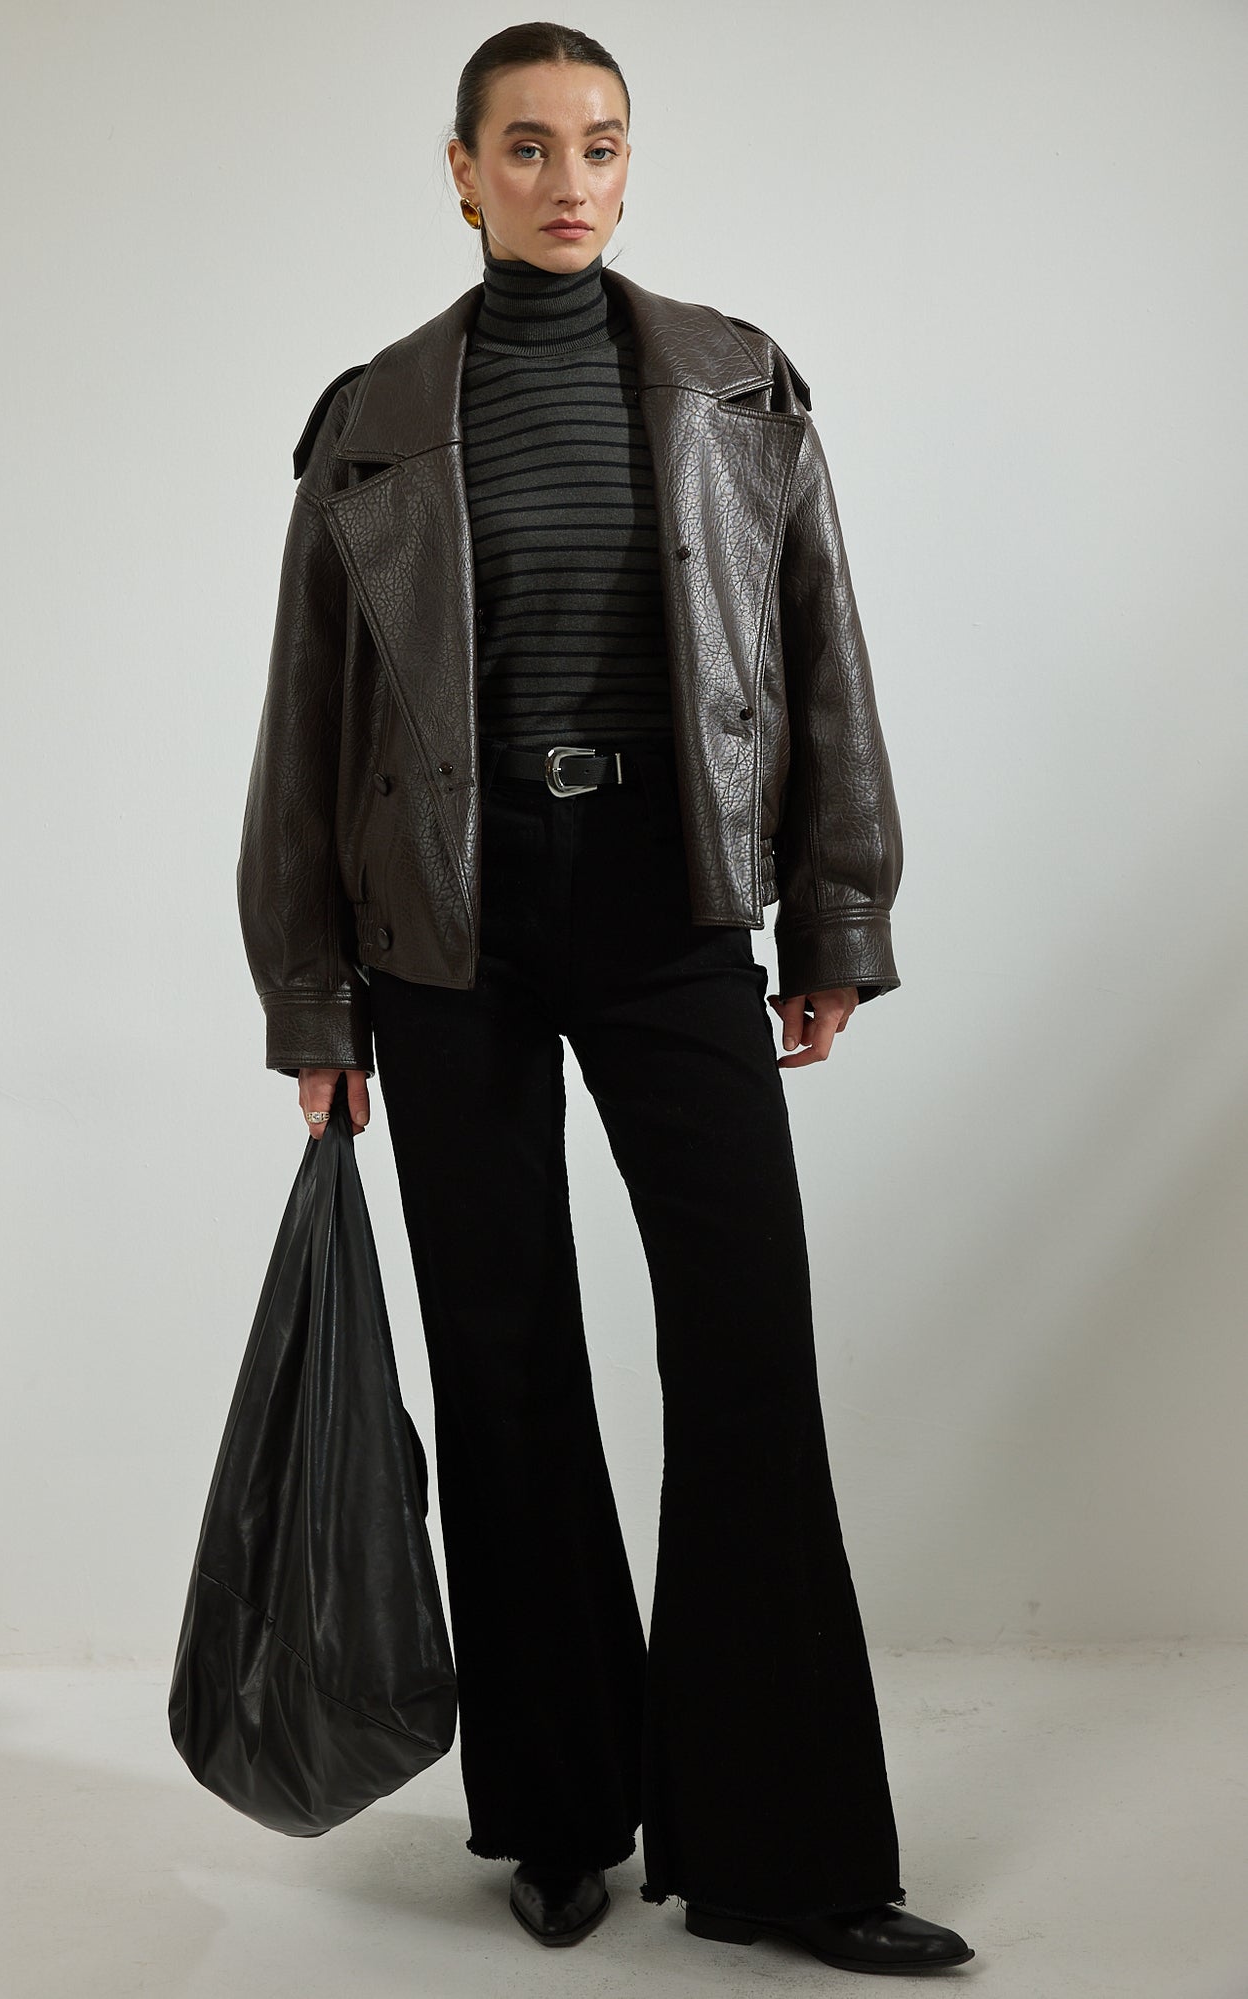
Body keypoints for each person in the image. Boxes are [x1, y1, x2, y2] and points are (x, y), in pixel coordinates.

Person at [237, 19, 975, 1977]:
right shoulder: (371, 414)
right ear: (460, 170)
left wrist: (835, 915)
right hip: (444, 934)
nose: (570, 179)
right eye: (528, 145)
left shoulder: (736, 380)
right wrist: (313, 1001)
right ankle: (561, 1816)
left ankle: (781, 1853)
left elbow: (820, 653)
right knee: (503, 1365)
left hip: (670, 906)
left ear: (629, 166)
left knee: (745, 1353)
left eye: (602, 143)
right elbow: (307, 723)